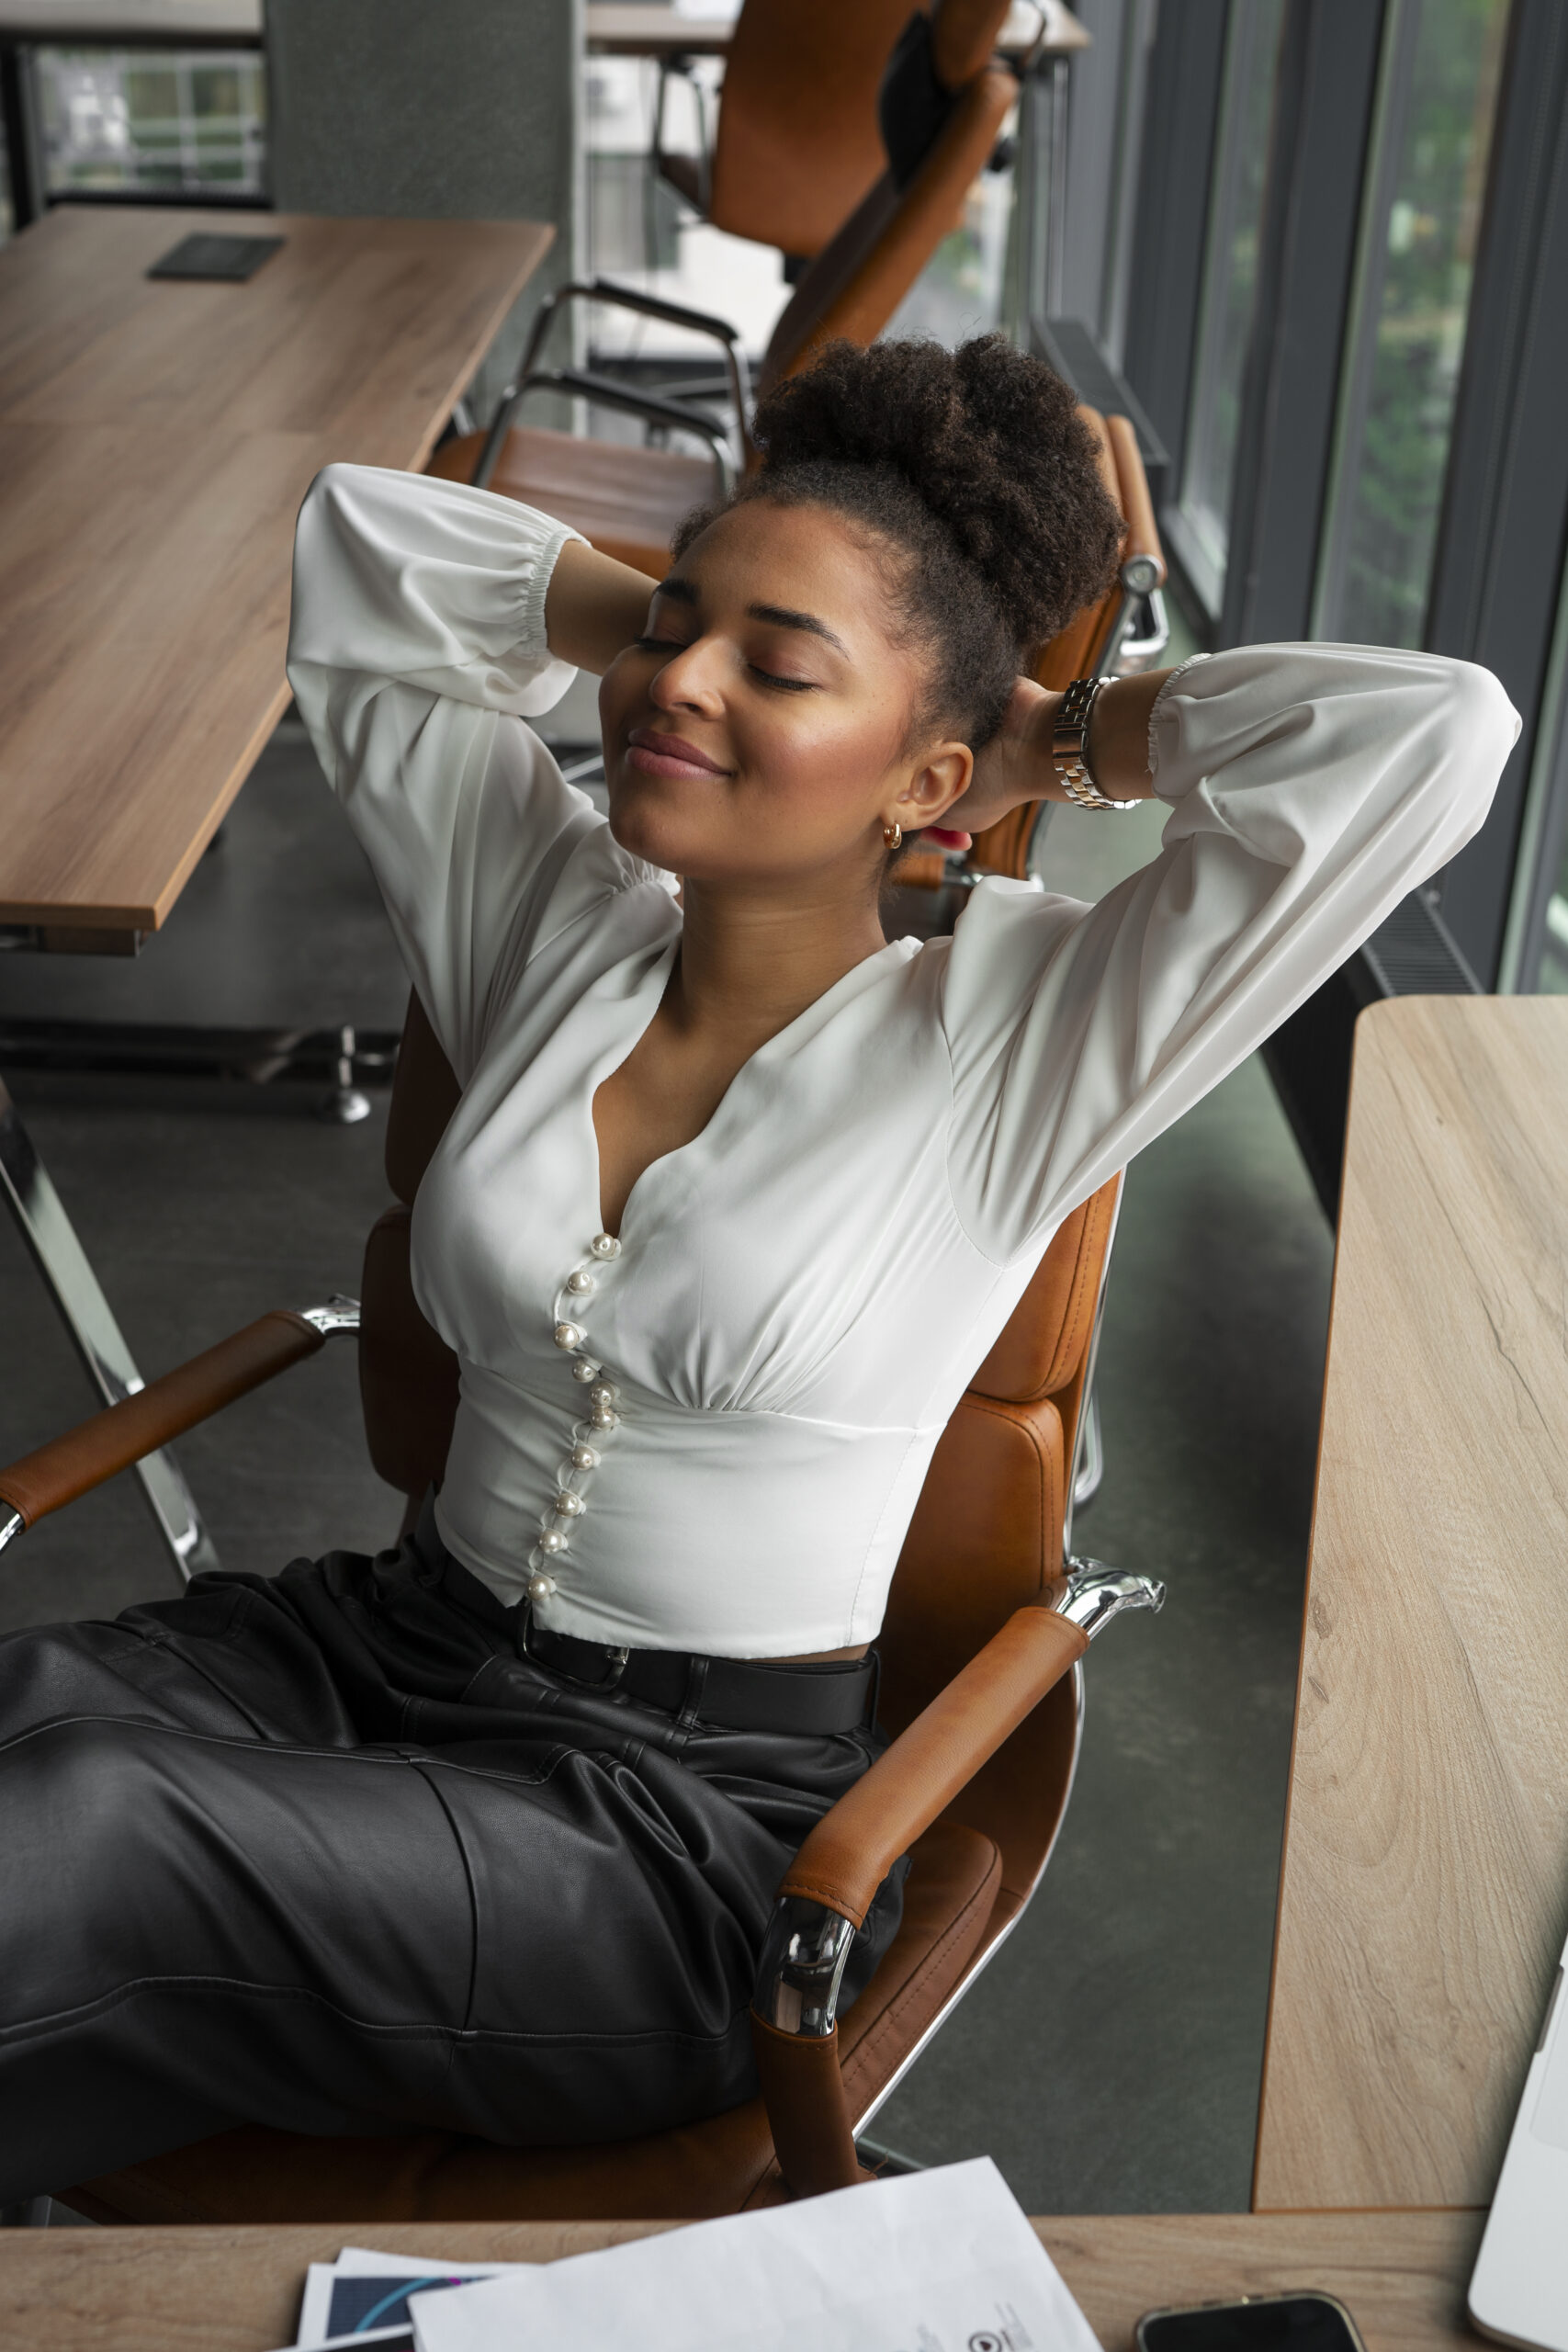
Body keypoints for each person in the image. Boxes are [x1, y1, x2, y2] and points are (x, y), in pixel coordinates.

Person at [0, 337, 1517, 2203]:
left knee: (79, 1840)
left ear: (927, 772)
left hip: (658, 1837)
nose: (675, 684)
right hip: (361, 1657)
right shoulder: (544, 919)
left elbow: (1431, 735)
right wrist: (702, 613)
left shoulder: (1029, 1033)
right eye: (669, 628)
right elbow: (360, 545)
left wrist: (1061, 734)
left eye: (778, 666)